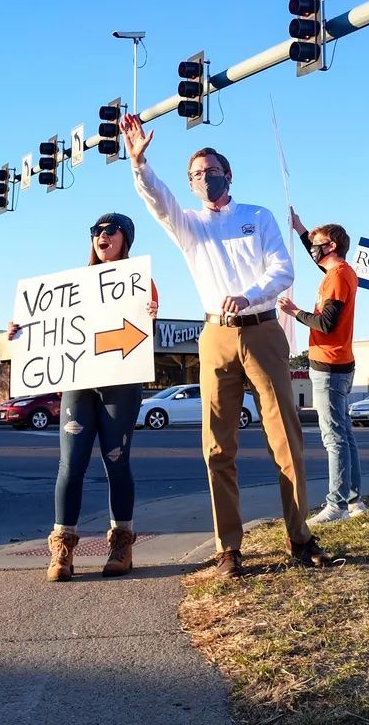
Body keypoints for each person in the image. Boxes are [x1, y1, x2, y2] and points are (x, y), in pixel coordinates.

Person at [120, 114, 331, 577]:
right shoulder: (190, 225)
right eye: (195, 174)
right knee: (217, 445)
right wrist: (140, 164)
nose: (203, 179)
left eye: (210, 171)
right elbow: (160, 203)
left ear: (228, 175)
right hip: (215, 337)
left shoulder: (258, 217)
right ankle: (229, 549)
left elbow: (283, 271)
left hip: (262, 330)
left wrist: (251, 295)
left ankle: (300, 537)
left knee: (285, 439)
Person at [9, 212, 158, 582]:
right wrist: (22, 331)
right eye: (95, 231)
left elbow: (141, 331)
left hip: (120, 383)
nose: (101, 236)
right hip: (78, 382)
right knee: (71, 464)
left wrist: (151, 316)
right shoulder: (73, 286)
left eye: (110, 230)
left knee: (116, 460)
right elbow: (49, 328)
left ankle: (121, 543)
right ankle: (63, 547)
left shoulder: (140, 282)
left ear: (126, 238)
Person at [277, 213, 365, 524]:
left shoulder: (338, 276)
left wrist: (295, 311)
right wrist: (300, 228)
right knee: (344, 433)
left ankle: (336, 504)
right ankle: (353, 500)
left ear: (331, 246)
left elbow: (327, 323)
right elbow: (315, 258)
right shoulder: (337, 272)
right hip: (336, 362)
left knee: (334, 437)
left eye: (316, 245)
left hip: (329, 363)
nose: (312, 249)